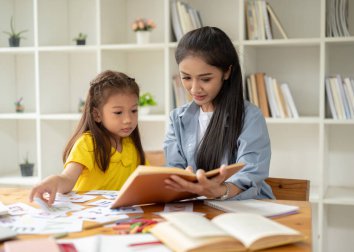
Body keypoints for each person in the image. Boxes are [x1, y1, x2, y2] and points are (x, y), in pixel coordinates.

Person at [164, 26, 274, 200]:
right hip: (195, 208)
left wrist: (220, 190)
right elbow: (174, 171)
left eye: (206, 79)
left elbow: (250, 172)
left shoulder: (250, 117)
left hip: (243, 208)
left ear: (227, 72)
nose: (194, 88)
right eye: (186, 77)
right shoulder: (177, 119)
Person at [29, 70, 146, 205]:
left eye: (134, 110)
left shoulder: (131, 144)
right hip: (87, 216)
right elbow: (67, 179)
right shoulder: (88, 143)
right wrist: (55, 180)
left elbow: (146, 178)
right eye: (118, 112)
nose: (128, 119)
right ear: (97, 115)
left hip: (119, 217)